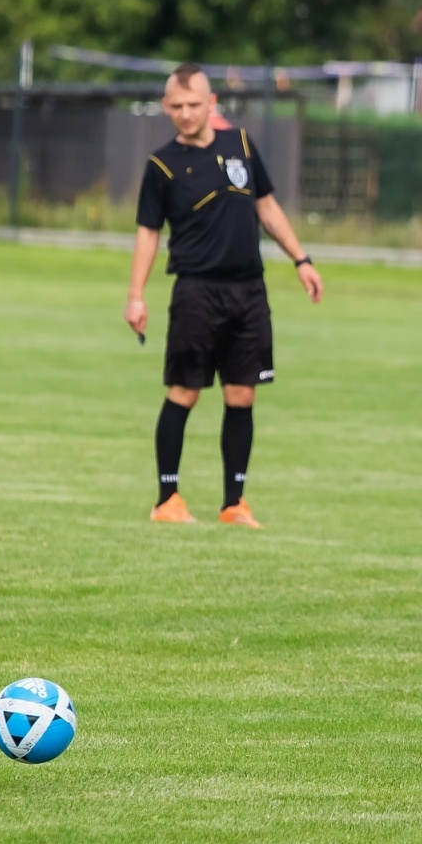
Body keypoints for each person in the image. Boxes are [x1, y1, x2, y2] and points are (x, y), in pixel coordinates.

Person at [125, 63, 324, 527]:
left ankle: (234, 503)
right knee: (185, 392)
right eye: (176, 106)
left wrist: (301, 259)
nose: (185, 113)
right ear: (165, 107)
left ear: (211, 103)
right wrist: (136, 295)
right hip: (196, 291)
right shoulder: (161, 164)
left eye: (194, 104)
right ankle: (166, 499)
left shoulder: (240, 145)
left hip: (249, 292)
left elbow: (267, 206)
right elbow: (148, 233)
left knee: (242, 394)